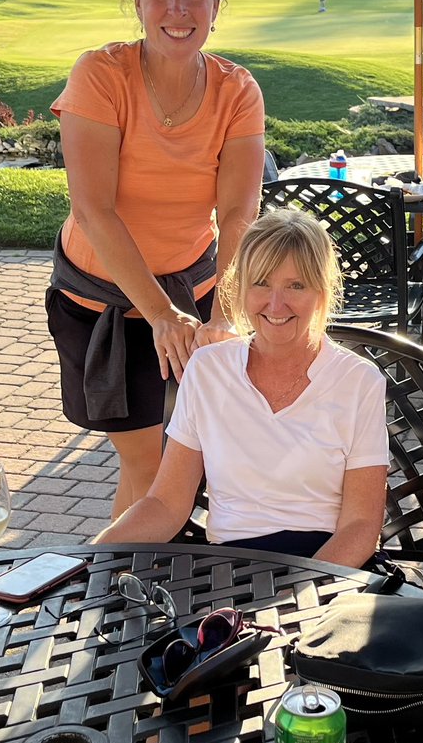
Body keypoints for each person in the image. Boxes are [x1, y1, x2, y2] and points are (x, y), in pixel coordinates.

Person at [46, 0, 265, 520]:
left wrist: (222, 314)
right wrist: (162, 316)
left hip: (192, 294)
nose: (178, 7)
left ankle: (138, 586)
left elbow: (239, 213)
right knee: (151, 463)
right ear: (137, 2)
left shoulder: (237, 89)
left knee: (185, 463)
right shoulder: (101, 75)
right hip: (102, 306)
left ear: (216, 4)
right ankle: (122, 594)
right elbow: (95, 210)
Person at [93, 209, 389, 568]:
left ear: (322, 291)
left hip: (327, 567)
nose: (275, 305)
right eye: (261, 283)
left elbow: (361, 525)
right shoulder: (208, 369)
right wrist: (83, 562)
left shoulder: (358, 380)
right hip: (229, 570)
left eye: (296, 285)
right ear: (240, 286)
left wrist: (304, 597)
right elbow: (166, 504)